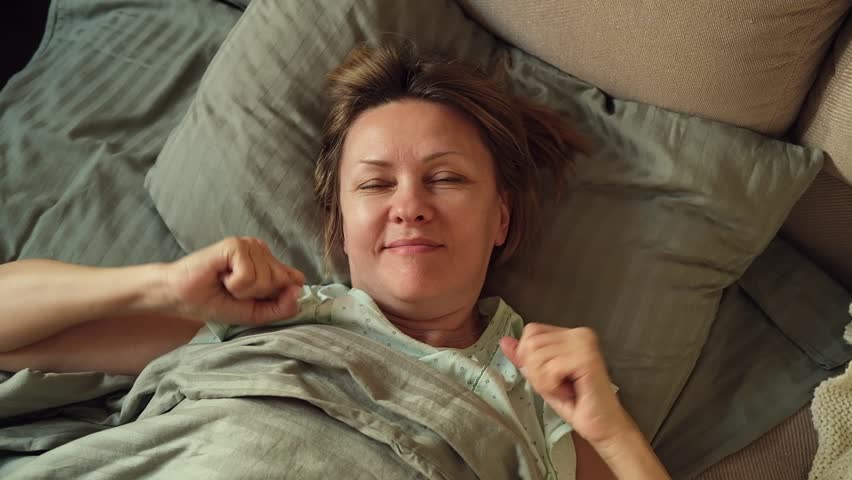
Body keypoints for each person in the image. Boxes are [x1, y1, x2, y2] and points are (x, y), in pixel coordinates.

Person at [0, 44, 670, 480]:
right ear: (341, 230)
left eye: (446, 179)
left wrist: (615, 431)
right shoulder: (268, 315)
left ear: (501, 218)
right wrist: (160, 286)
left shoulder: (543, 396)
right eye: (376, 185)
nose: (408, 206)